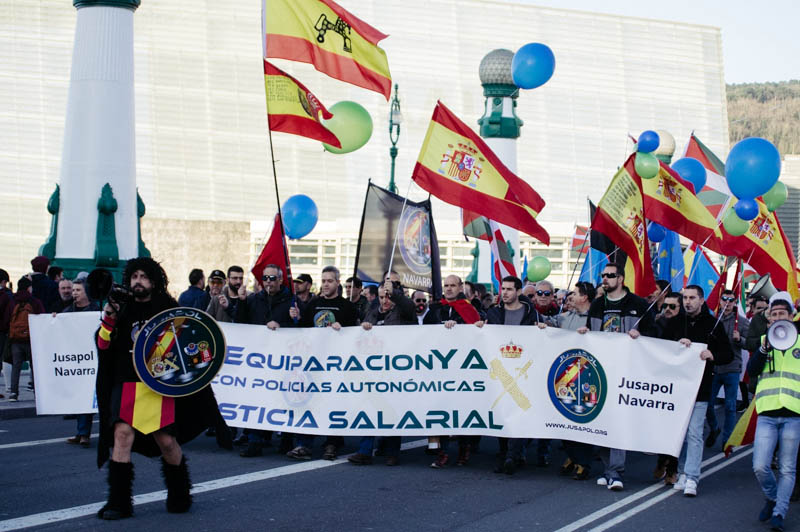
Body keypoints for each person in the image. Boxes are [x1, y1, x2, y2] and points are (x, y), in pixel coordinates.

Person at [94, 257, 230, 520]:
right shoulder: (120, 308)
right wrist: (109, 320)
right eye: (134, 277)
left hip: (158, 385)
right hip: (127, 383)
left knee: (166, 442)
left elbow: (187, 343)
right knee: (122, 435)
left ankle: (180, 493)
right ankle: (119, 502)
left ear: (153, 281)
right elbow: (103, 346)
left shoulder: (167, 308)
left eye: (143, 277)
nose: (138, 282)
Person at [577, 263, 653, 491]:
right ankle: (607, 468)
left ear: (620, 278)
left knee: (618, 421)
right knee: (601, 419)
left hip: (627, 370)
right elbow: (593, 332)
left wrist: (641, 335)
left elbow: (654, 335)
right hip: (602, 369)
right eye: (603, 275)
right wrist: (585, 333)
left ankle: (615, 472)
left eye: (610, 276)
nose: (605, 279)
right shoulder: (598, 304)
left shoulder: (638, 304)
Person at [659, 285, 733, 497]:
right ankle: (682, 472)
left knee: (694, 433)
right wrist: (677, 345)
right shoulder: (673, 323)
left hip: (700, 388)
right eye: (685, 298)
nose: (688, 301)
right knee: (678, 434)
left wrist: (712, 354)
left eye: (692, 298)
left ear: (701, 300)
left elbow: (727, 353)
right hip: (674, 389)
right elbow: (659, 349)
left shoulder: (712, 324)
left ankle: (692, 476)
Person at [287, 265, 357, 460]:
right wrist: (297, 319)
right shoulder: (313, 304)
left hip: (336, 364)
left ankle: (332, 443)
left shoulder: (347, 307)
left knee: (333, 402)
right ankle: (303, 444)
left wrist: (342, 329)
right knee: (307, 400)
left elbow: (354, 335)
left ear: (337, 282)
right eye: (323, 281)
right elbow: (304, 330)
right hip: (314, 362)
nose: (325, 284)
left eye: (329, 281)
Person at [475, 275, 540, 475]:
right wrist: (479, 328)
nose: (504, 292)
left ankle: (512, 455)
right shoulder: (493, 313)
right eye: (502, 289)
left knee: (519, 412)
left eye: (509, 289)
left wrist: (542, 330)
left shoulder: (531, 314)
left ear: (519, 292)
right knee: (503, 413)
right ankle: (508, 453)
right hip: (500, 372)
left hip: (523, 372)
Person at [349, 279, 416, 466]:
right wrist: (364, 328)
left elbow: (408, 306)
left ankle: (392, 451)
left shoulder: (403, 312)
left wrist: (394, 293)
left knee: (391, 408)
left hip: (395, 371)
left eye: (388, 297)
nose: (384, 301)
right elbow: (360, 336)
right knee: (369, 407)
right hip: (373, 371)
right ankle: (364, 450)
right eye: (381, 297)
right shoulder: (372, 312)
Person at [748, 296, 800, 532]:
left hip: (794, 413)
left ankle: (779, 512)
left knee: (788, 469)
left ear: (791, 317)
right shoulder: (762, 342)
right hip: (768, 413)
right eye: (774, 314)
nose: (778, 317)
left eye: (783, 314)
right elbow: (751, 372)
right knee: (760, 466)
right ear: (769, 320)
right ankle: (772, 497)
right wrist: (763, 348)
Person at [235, 264, 295, 457]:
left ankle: (286, 439)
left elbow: (301, 330)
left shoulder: (291, 301)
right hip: (260, 359)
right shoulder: (254, 300)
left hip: (283, 359)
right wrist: (242, 302)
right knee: (258, 398)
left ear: (280, 280)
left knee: (284, 399)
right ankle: (255, 441)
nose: (268, 282)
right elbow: (240, 323)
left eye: (272, 278)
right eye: (265, 278)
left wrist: (284, 324)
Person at [427, 274, 482, 468]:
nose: (449, 289)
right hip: (438, 367)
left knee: (462, 409)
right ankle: (441, 453)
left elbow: (477, 334)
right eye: (446, 285)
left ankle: (464, 450)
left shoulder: (468, 309)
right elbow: (423, 334)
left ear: (460, 288)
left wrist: (458, 329)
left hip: (461, 368)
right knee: (440, 409)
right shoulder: (433, 308)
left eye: (453, 285)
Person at [554, 281, 597, 480]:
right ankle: (572, 456)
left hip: (587, 376)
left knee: (583, 419)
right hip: (565, 375)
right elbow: (550, 323)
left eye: (575, 293)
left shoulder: (595, 318)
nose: (571, 297)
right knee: (564, 417)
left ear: (584, 297)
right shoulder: (566, 317)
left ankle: (583, 462)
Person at [706, 289, 751, 450]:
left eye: (731, 300)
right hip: (715, 367)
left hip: (732, 367)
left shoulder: (742, 321)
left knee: (730, 406)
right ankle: (714, 428)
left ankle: (728, 440)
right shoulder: (713, 319)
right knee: (708, 404)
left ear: (735, 302)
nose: (727, 302)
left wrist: (740, 339)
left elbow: (749, 344)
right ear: (720, 301)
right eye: (724, 299)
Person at [62, 278, 100, 447]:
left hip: (92, 361)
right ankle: (81, 433)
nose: (74, 293)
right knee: (80, 397)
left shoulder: (96, 312)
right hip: (76, 361)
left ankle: (85, 434)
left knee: (88, 396)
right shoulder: (67, 311)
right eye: (74, 290)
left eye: (78, 290)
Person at [1, 276, 45, 401]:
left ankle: (14, 393)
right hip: (32, 339)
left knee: (16, 366)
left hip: (15, 339)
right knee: (35, 366)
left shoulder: (12, 301)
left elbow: (6, 320)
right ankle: (38, 393)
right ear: (29, 288)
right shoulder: (35, 301)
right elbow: (41, 317)